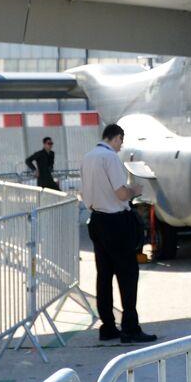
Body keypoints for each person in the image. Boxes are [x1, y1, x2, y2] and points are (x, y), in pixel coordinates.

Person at [79, 124, 157, 344]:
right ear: (116, 137)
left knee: (104, 276)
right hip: (115, 221)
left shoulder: (88, 157)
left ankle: (108, 327)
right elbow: (121, 193)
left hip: (97, 219)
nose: (121, 146)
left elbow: (84, 192)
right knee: (128, 274)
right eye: (121, 141)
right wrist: (135, 190)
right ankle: (130, 328)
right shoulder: (110, 158)